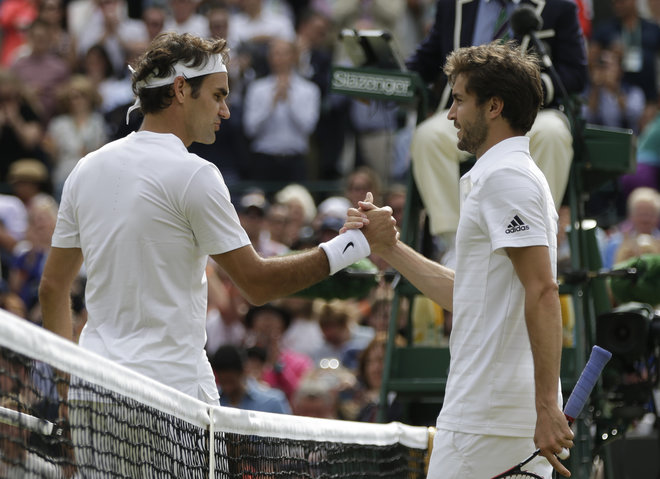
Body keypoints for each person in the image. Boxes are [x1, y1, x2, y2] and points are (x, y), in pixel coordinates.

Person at [38, 32, 386, 407]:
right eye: (218, 96)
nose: (226, 111)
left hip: (94, 394)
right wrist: (350, 245)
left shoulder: (84, 169)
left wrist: (64, 383)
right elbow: (256, 284)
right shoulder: (196, 174)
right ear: (182, 89)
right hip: (171, 400)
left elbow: (52, 288)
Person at [343, 41, 574, 478]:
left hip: (489, 422)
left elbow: (543, 290)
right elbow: (467, 293)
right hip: (491, 418)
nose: (450, 113)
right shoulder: (502, 176)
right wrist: (389, 247)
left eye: (460, 100)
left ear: (494, 107)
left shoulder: (506, 178)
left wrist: (546, 407)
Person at [406, 0, 588, 265]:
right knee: (427, 136)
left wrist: (527, 91)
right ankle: (458, 248)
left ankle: (535, 242)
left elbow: (574, 74)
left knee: (553, 134)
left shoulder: (559, 6)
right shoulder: (453, 5)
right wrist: (382, 73)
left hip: (532, 112)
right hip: (469, 110)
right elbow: (424, 61)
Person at [210, 343, 292, 414]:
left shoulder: (273, 403)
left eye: (231, 381)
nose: (227, 387)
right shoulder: (210, 402)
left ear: (244, 371)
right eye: (223, 382)